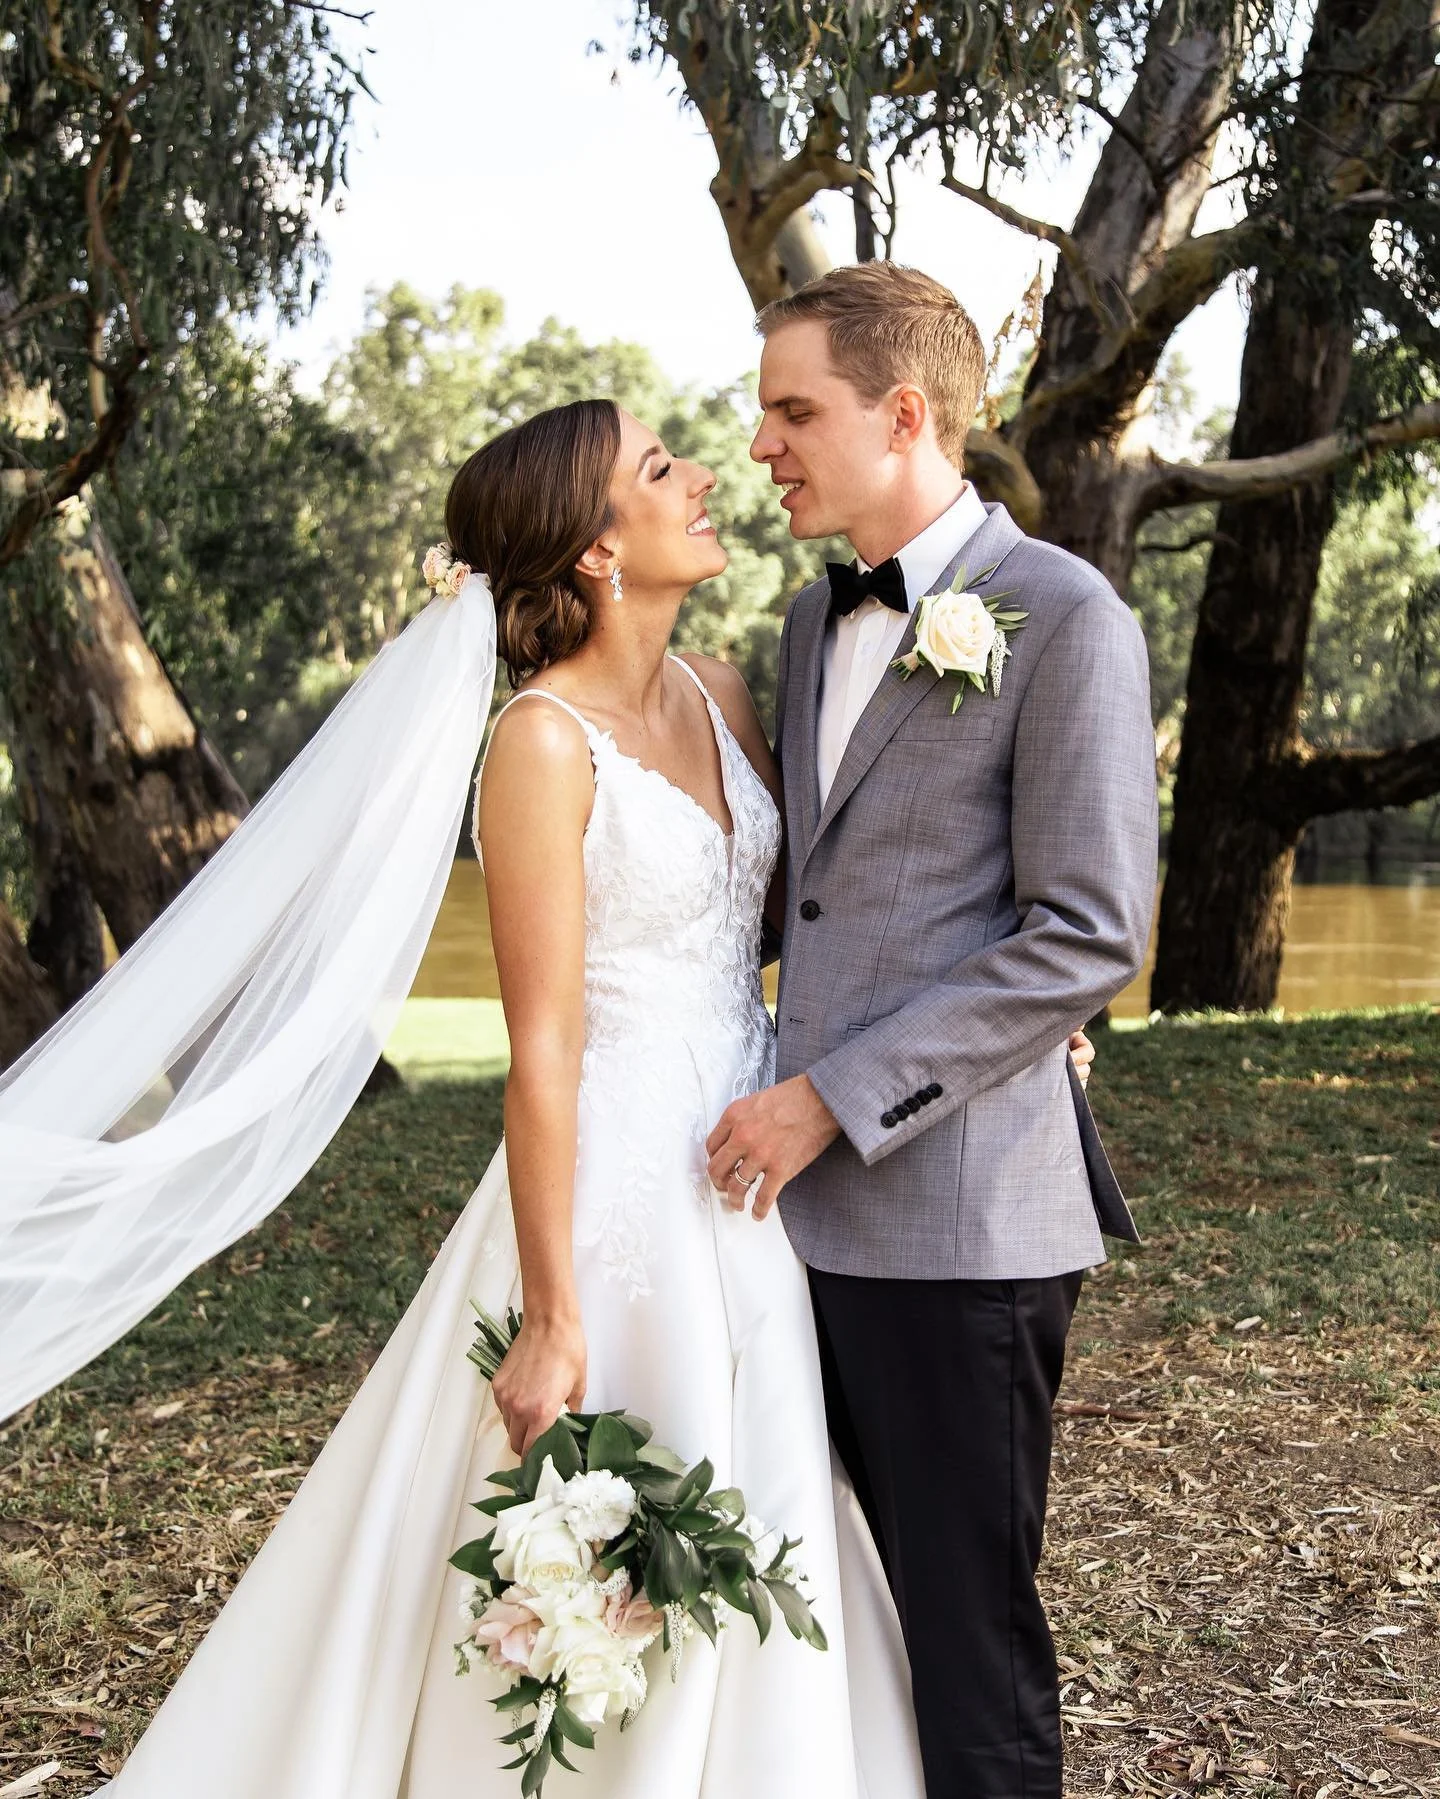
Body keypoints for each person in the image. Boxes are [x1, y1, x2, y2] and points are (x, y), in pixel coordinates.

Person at [3, 388, 1107, 1797]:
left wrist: (998, 1011)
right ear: (594, 548)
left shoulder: (719, 686)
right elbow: (544, 1049)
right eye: (661, 467)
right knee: (627, 1509)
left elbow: (806, 922)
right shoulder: (537, 744)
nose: (708, 473)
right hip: (623, 1185)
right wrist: (555, 1312)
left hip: (758, 1156)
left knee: (780, 1495)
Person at [702, 262, 1159, 1799]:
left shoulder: (1069, 619)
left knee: (967, 1648)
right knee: (830, 1631)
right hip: (783, 1239)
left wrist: (833, 1092)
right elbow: (818, 901)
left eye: (793, 410)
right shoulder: (799, 622)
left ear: (905, 414)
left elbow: (1088, 931)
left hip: (962, 1230)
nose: (763, 443)